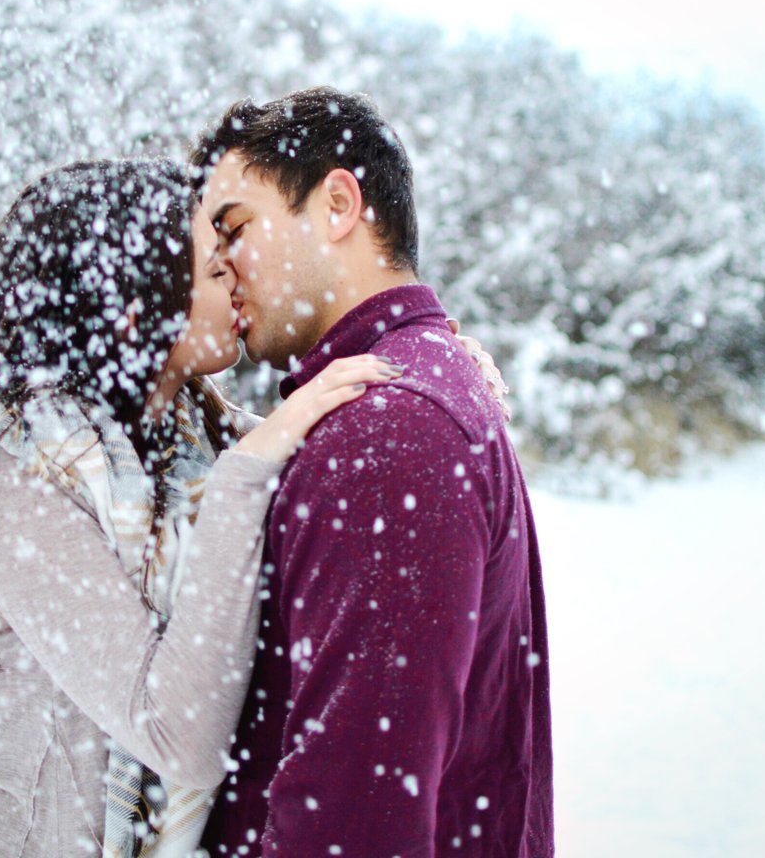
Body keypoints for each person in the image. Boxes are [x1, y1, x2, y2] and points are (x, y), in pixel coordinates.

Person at [0, 157, 400, 857]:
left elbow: (327, 464)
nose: (238, 277)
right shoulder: (17, 477)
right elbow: (180, 736)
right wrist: (251, 467)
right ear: (136, 308)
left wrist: (427, 367)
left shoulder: (190, 435)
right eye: (215, 269)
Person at [193, 88, 554, 857]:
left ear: (336, 204)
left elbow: (351, 824)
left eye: (235, 228)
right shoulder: (408, 392)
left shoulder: (390, 432)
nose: (219, 265)